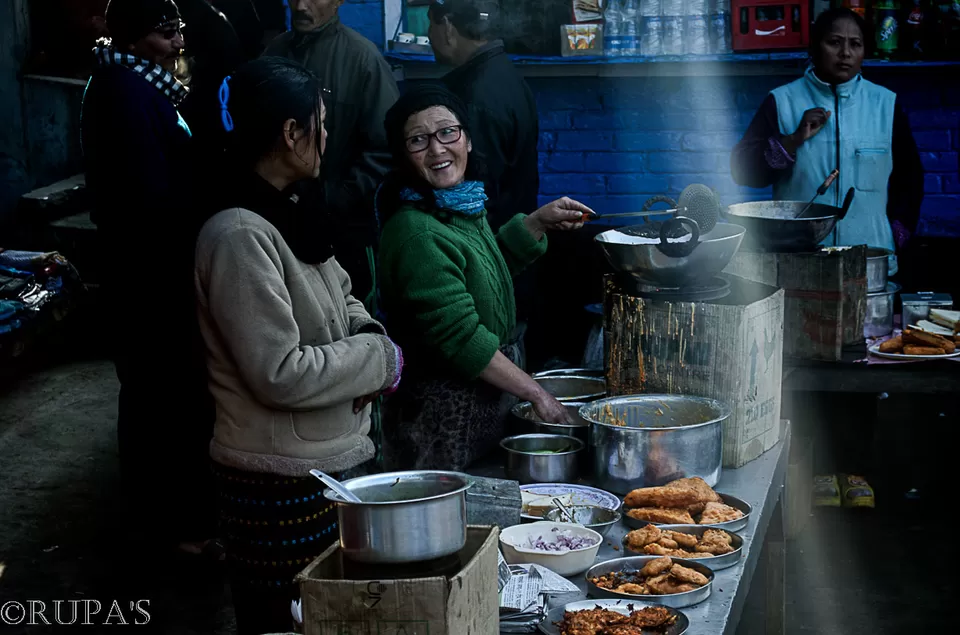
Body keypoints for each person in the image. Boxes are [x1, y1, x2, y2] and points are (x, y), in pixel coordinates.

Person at [194, 56, 402, 635]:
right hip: (276, 482)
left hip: (329, 461)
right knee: (286, 622)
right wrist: (379, 362)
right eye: (321, 124)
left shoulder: (294, 208)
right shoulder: (238, 234)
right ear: (291, 133)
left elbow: (347, 296)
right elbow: (278, 372)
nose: (327, 137)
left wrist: (370, 343)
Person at [377, 85, 591, 472]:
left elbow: (481, 276)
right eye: (418, 140)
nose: (437, 149)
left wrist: (537, 223)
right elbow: (462, 339)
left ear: (468, 139)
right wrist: (537, 394)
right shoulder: (417, 232)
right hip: (439, 421)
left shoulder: (457, 208)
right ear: (403, 156)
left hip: (482, 408)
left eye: (447, 132)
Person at [80, 0, 219, 560]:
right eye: (166, 33)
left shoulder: (137, 84)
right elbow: (149, 197)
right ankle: (172, 528)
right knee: (161, 399)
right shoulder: (125, 94)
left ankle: (164, 520)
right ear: (135, 39)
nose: (178, 43)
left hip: (148, 270)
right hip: (148, 279)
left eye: (178, 30)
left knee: (157, 395)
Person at [731, 7, 924, 275]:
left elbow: (910, 177)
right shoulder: (782, 101)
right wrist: (793, 140)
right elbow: (742, 171)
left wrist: (896, 234)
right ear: (815, 47)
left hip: (869, 261)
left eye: (855, 44)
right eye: (834, 42)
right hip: (797, 262)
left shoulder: (885, 105)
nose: (845, 53)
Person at [263, 0, 399, 311]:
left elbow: (386, 148)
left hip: (342, 231)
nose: (301, 5)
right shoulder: (275, 52)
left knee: (346, 316)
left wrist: (337, 198)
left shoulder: (363, 60)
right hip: (279, 222)